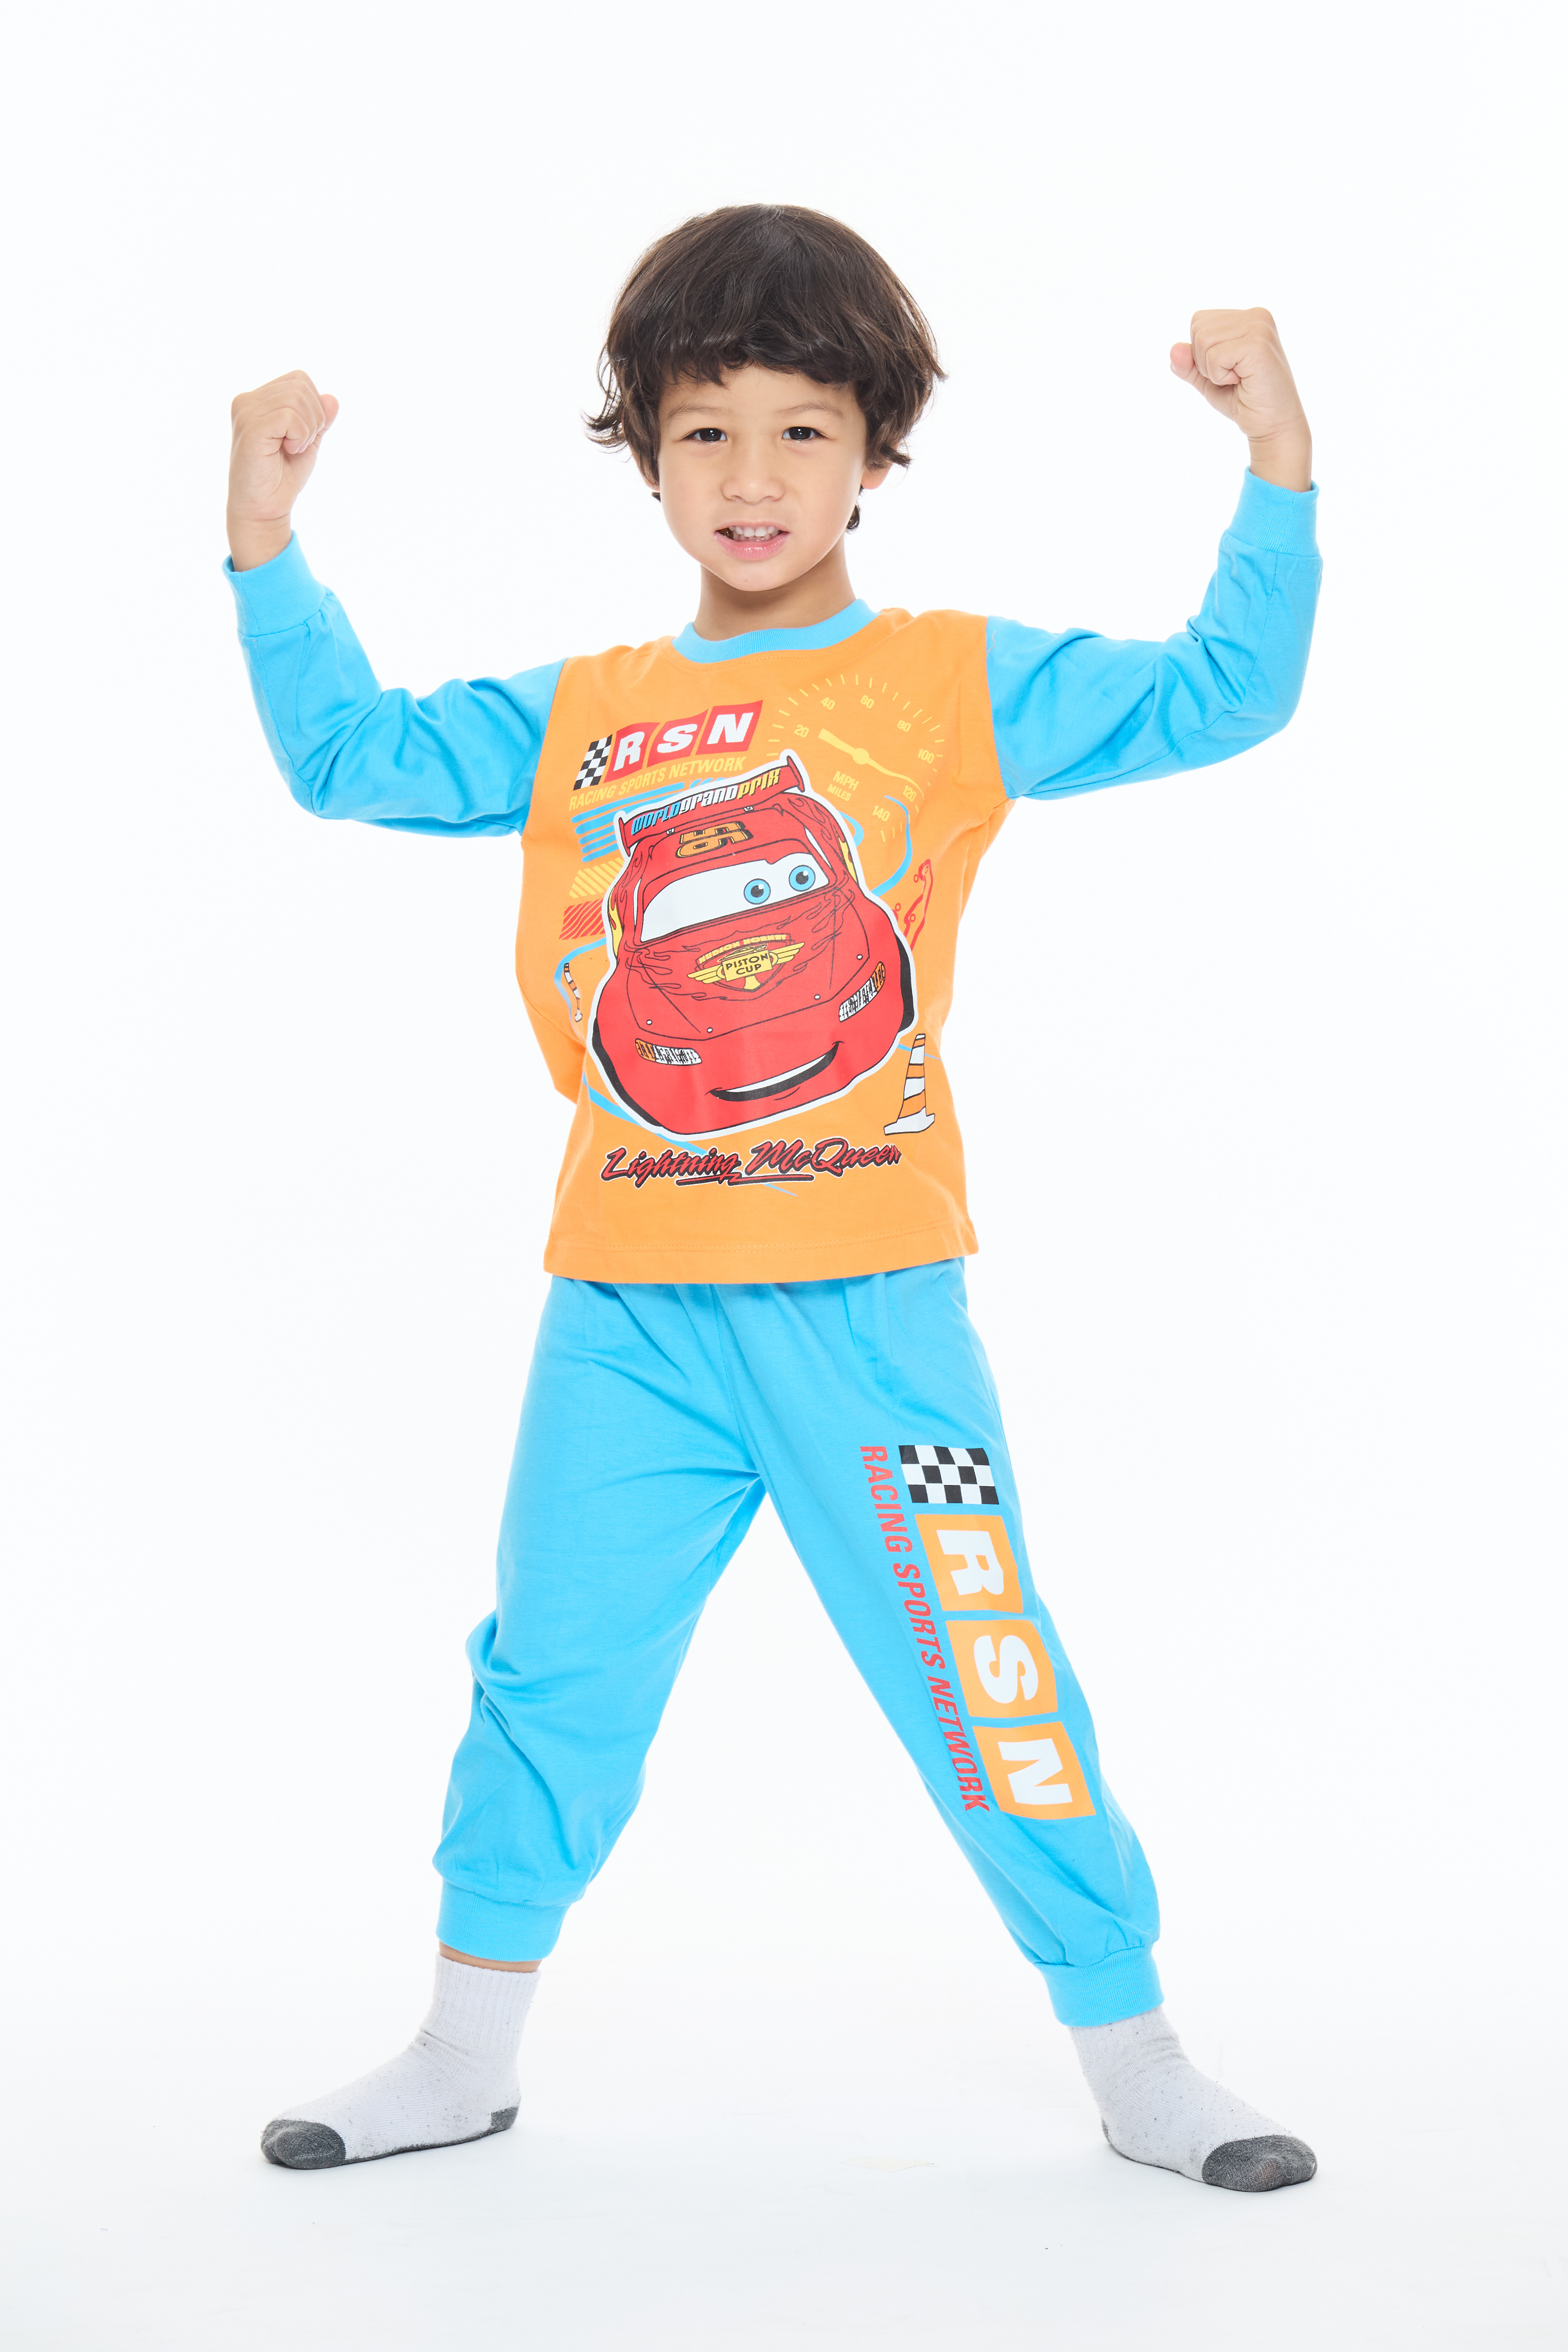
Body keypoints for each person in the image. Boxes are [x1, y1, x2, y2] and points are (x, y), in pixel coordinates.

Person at [225, 204, 1321, 2189]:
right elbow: (348, 759)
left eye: (803, 429)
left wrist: (1275, 462)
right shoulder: (586, 711)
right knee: (550, 1682)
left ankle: (1141, 2058)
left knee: (984, 1666)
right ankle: (461, 2051)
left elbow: (1222, 695)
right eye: (705, 431)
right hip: (623, 1313)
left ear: (876, 452)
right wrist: (266, 540)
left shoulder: (945, 681)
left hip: (874, 1309)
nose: (753, 476)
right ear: (645, 454)